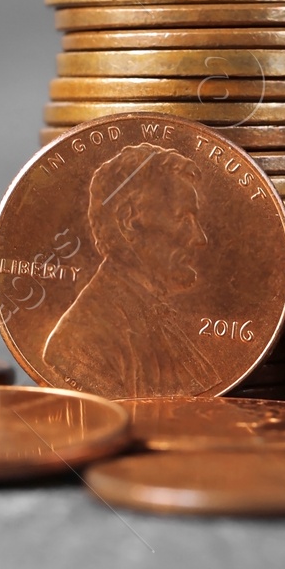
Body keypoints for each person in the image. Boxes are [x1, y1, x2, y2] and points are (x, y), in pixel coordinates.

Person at [41, 143, 234, 396]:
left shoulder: (157, 316)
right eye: (182, 218)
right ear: (129, 222)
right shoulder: (77, 344)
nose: (200, 238)